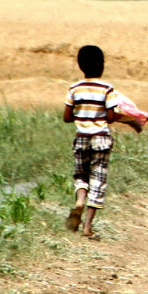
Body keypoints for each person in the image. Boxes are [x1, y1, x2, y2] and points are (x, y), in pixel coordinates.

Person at [63, 45, 118, 238]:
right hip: (101, 138)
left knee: (81, 175)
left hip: (81, 139)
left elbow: (67, 117)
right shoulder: (107, 89)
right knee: (98, 179)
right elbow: (111, 117)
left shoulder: (74, 88)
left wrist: (81, 115)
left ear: (80, 66)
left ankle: (79, 201)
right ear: (102, 65)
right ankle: (86, 227)